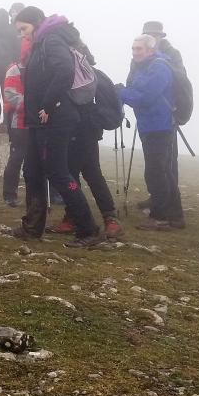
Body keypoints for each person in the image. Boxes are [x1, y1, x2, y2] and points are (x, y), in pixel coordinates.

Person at [11, 9, 102, 247]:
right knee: (32, 171)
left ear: (36, 23)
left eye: (24, 29)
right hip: (38, 120)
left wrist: (48, 105)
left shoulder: (51, 39)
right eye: (19, 31)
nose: (22, 35)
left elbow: (64, 70)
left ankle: (88, 229)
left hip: (55, 118)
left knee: (58, 173)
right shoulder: (42, 41)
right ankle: (32, 227)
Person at [46, 25, 124, 240]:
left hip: (80, 132)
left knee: (72, 173)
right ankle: (109, 219)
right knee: (91, 173)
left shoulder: (84, 78)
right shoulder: (96, 75)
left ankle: (77, 219)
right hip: (88, 132)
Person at [118, 34, 184, 231]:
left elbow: (145, 97)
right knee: (161, 171)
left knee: (157, 172)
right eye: (133, 48)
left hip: (160, 125)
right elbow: (137, 92)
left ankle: (160, 216)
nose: (135, 52)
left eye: (139, 49)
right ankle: (174, 215)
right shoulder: (145, 67)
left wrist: (121, 92)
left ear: (150, 50)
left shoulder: (159, 68)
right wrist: (127, 92)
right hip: (150, 125)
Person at [1, 12, 33, 207]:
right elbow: (10, 94)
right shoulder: (14, 69)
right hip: (18, 122)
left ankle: (33, 194)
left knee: (33, 160)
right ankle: (9, 194)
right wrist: (32, 105)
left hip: (35, 122)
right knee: (17, 158)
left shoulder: (39, 68)